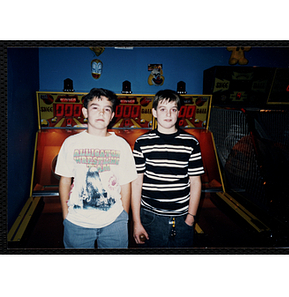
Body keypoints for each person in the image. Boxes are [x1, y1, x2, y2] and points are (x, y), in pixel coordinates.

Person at [55, 88, 137, 248]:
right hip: (77, 221)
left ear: (112, 116)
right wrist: (66, 214)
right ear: (85, 112)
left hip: (114, 221)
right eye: (95, 108)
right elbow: (65, 180)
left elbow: (126, 183)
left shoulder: (121, 145)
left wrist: (124, 215)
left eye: (107, 109)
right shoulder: (71, 143)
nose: (101, 113)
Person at [131, 89, 205, 248]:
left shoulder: (191, 142)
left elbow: (196, 182)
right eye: (163, 109)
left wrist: (191, 217)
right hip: (150, 217)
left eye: (173, 109)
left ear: (178, 112)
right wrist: (136, 222)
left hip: (183, 217)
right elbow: (136, 183)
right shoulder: (142, 142)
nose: (168, 114)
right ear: (154, 112)